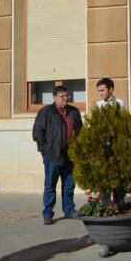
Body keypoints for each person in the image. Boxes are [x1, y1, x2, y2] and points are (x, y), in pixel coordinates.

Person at [32, 85, 83, 224]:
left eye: (67, 95)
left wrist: (79, 149)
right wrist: (46, 151)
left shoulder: (74, 112)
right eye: (63, 96)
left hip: (70, 154)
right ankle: (48, 213)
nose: (66, 98)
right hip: (52, 155)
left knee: (69, 184)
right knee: (50, 184)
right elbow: (37, 133)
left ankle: (69, 210)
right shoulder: (46, 112)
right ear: (55, 97)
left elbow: (81, 132)